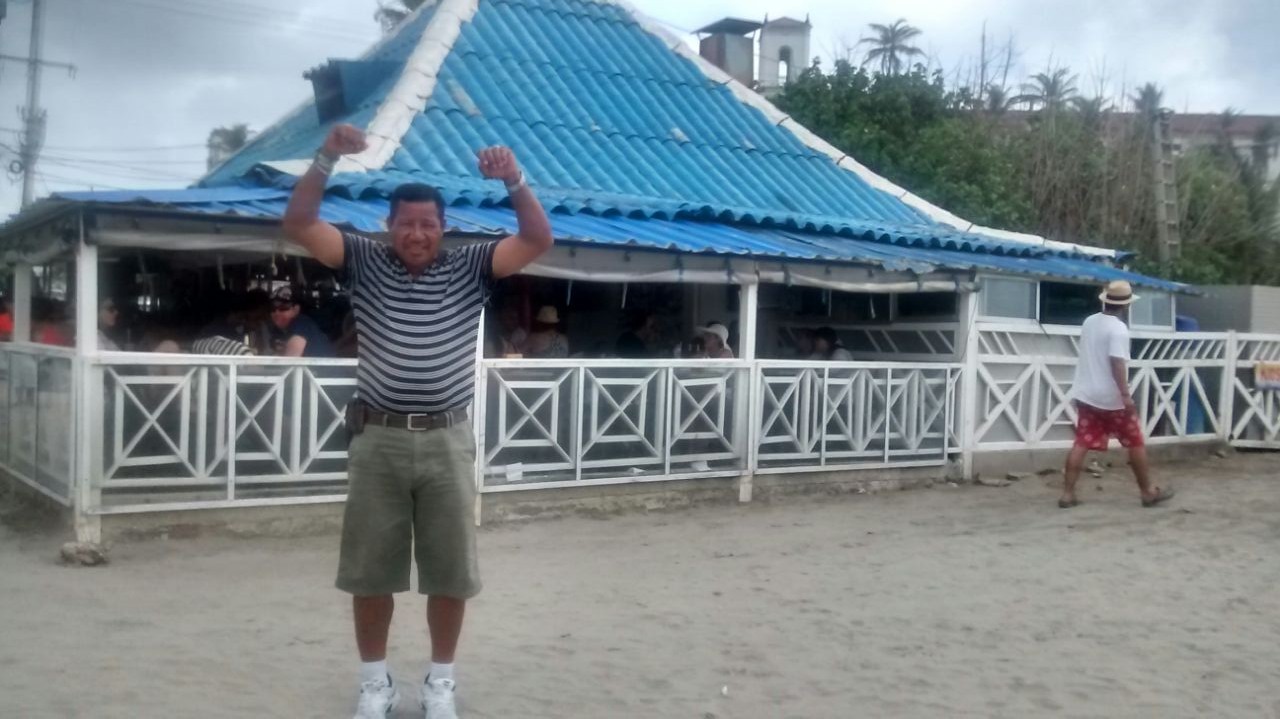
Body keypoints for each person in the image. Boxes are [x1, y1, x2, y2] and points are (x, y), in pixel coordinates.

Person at [282, 122, 552, 719]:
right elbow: (299, 223)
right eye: (406, 222)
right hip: (377, 439)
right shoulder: (362, 259)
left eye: (428, 223)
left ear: (443, 227)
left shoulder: (472, 265)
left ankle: (441, 683)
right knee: (369, 571)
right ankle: (375, 684)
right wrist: (326, 157)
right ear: (388, 225)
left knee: (450, 572)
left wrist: (513, 179)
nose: (417, 233)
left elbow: (538, 238)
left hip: (447, 440)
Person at [1059, 280, 1175, 510]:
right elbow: (1117, 363)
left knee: (1082, 442)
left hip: (1087, 393)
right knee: (1135, 442)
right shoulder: (1119, 329)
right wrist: (1125, 395)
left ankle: (1067, 494)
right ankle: (1147, 491)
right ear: (1126, 305)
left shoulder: (1089, 322)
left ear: (1105, 300)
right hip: (1112, 398)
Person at [269, 286, 336, 358]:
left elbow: (290, 360)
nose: (277, 312)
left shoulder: (302, 324)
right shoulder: (278, 331)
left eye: (283, 307)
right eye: (273, 308)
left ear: (296, 309)